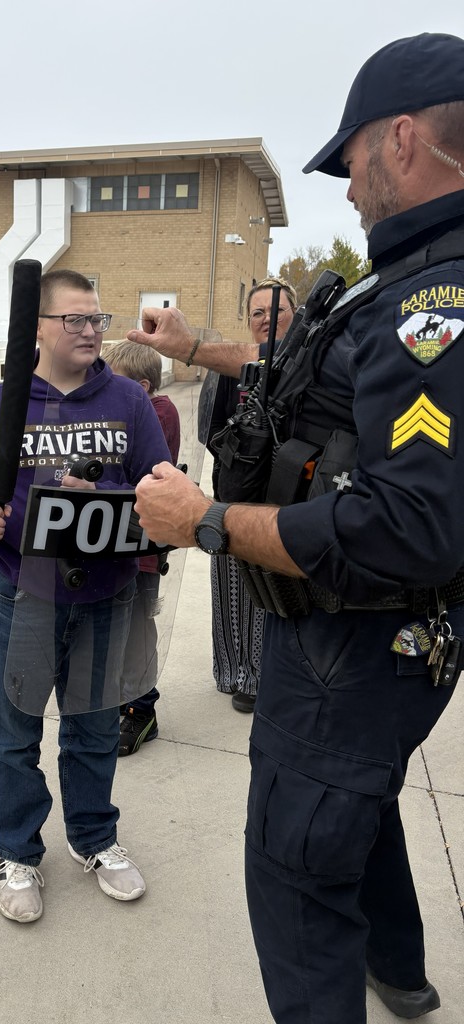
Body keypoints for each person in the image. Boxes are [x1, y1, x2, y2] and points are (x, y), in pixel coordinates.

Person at [129, 33, 464, 1023]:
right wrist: (198, 347)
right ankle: (397, 973)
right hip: (390, 649)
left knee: (295, 872)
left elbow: (403, 525)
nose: (348, 189)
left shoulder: (430, 304)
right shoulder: (408, 277)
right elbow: (318, 383)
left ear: (399, 140)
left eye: (350, 161)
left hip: (349, 642)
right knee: (354, 805)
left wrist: (206, 524)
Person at [0, 269, 171, 923]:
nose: (89, 330)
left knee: (96, 727)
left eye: (96, 319)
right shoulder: (0, 405)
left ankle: (94, 838)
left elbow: (162, 492)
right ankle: (17, 851)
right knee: (14, 735)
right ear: (37, 328)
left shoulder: (128, 402)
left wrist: (105, 500)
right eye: (74, 319)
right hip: (25, 596)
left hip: (107, 595)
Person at [205, 279, 296, 713]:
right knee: (232, 586)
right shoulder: (229, 367)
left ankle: (267, 676)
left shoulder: (309, 364)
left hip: (286, 499)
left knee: (276, 590)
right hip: (235, 492)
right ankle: (235, 672)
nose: (266, 319)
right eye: (257, 312)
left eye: (276, 311)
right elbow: (212, 431)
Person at [102, 340, 181, 754]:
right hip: (118, 542)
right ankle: (120, 700)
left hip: (142, 548)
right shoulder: (138, 409)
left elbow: (146, 476)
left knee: (136, 632)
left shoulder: (158, 412)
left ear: (143, 386)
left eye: (117, 386)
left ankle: (141, 709)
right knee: (120, 630)